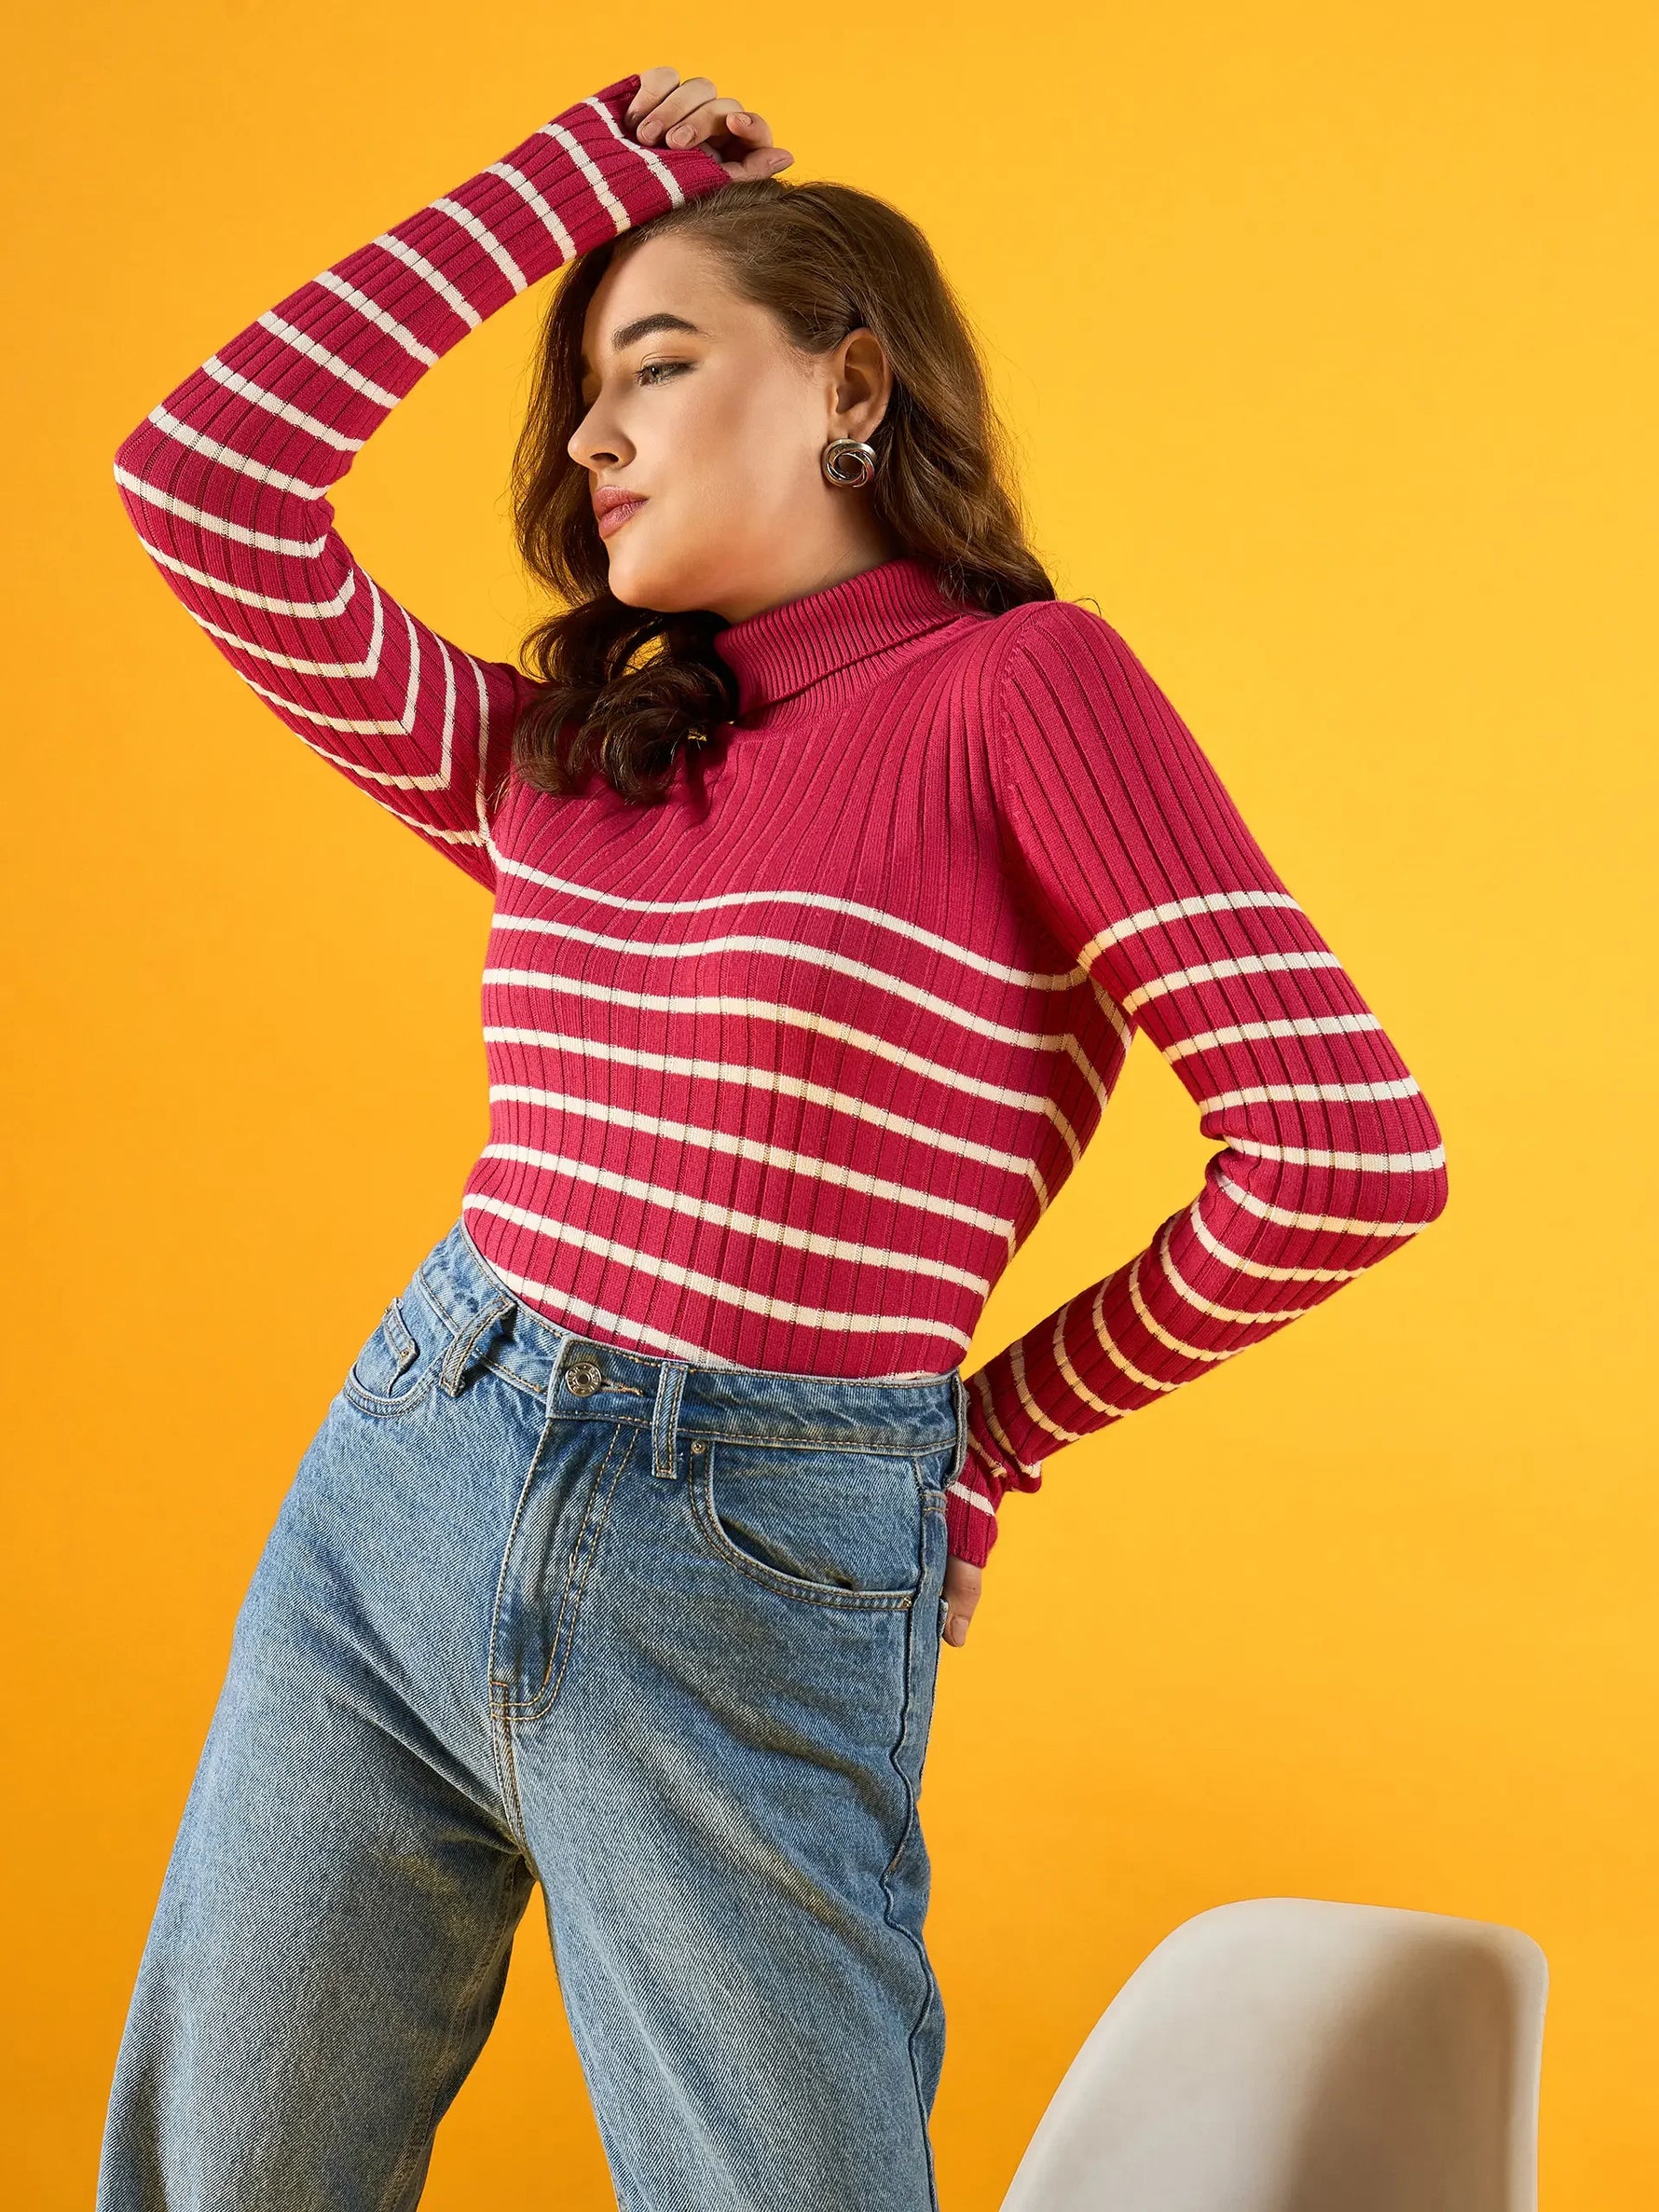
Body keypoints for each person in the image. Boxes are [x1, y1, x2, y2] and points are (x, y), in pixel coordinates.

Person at [98, 62, 1448, 2212]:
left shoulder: (1019, 688)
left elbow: (1343, 1150)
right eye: (579, 394)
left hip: (746, 1549)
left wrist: (982, 1438)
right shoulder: (573, 756)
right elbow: (204, 483)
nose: (590, 436)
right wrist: (578, 180)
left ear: (852, 384)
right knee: (218, 2176)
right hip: (406, 1462)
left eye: (653, 362)